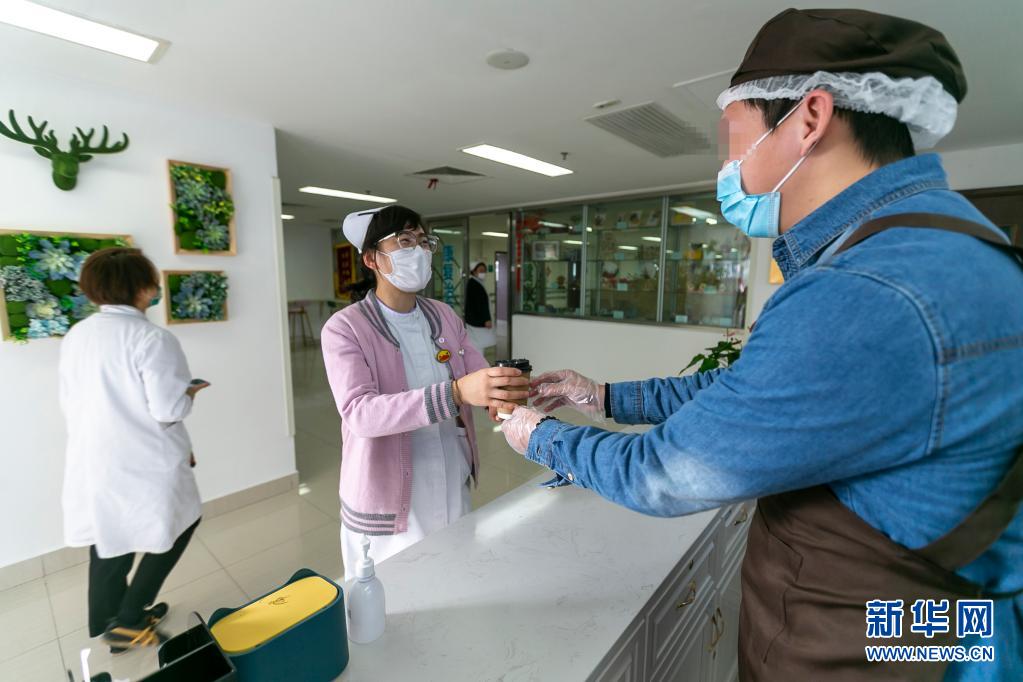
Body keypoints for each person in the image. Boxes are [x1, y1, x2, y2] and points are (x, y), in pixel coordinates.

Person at [501, 9, 1022, 681]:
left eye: (732, 136)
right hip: (946, 628)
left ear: (810, 117)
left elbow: (664, 475)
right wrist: (602, 396)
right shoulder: (949, 243)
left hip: (879, 650)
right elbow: (758, 388)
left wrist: (539, 436)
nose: (726, 164)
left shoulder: (865, 289)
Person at [322, 206, 526, 581]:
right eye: (404, 241)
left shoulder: (443, 315)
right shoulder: (345, 328)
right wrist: (455, 393)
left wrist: (508, 390)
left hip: (450, 479)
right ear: (371, 259)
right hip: (389, 503)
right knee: (395, 596)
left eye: (422, 240)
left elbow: (478, 373)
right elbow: (360, 414)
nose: (417, 250)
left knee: (455, 580)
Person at [59, 248, 208, 653]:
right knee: (182, 523)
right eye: (152, 283)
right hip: (145, 457)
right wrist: (189, 393)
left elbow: (73, 400)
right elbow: (167, 409)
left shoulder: (77, 335)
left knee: (110, 536)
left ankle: (108, 621)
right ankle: (127, 619)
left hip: (93, 456)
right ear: (142, 289)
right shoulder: (152, 338)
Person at [464, 261, 496, 352]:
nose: (483, 273)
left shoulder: (476, 282)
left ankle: (477, 359)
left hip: (475, 320)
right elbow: (480, 304)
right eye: (481, 270)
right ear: (474, 272)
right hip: (477, 321)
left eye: (484, 271)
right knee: (478, 344)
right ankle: (477, 360)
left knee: (477, 343)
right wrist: (486, 319)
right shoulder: (474, 284)